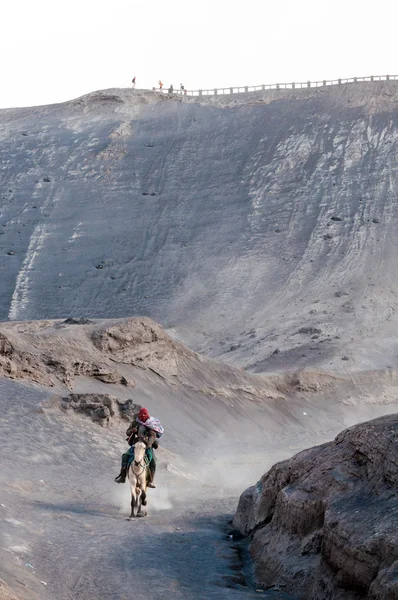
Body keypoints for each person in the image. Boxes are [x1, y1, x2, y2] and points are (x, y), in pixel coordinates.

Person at [114, 407, 159, 486]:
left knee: (153, 462)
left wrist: (149, 444)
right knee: (125, 456)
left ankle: (151, 481)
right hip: (137, 444)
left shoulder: (150, 424)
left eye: (144, 415)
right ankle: (123, 476)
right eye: (140, 415)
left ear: (147, 415)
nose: (142, 416)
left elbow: (153, 436)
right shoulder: (135, 423)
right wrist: (132, 430)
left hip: (147, 446)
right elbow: (127, 432)